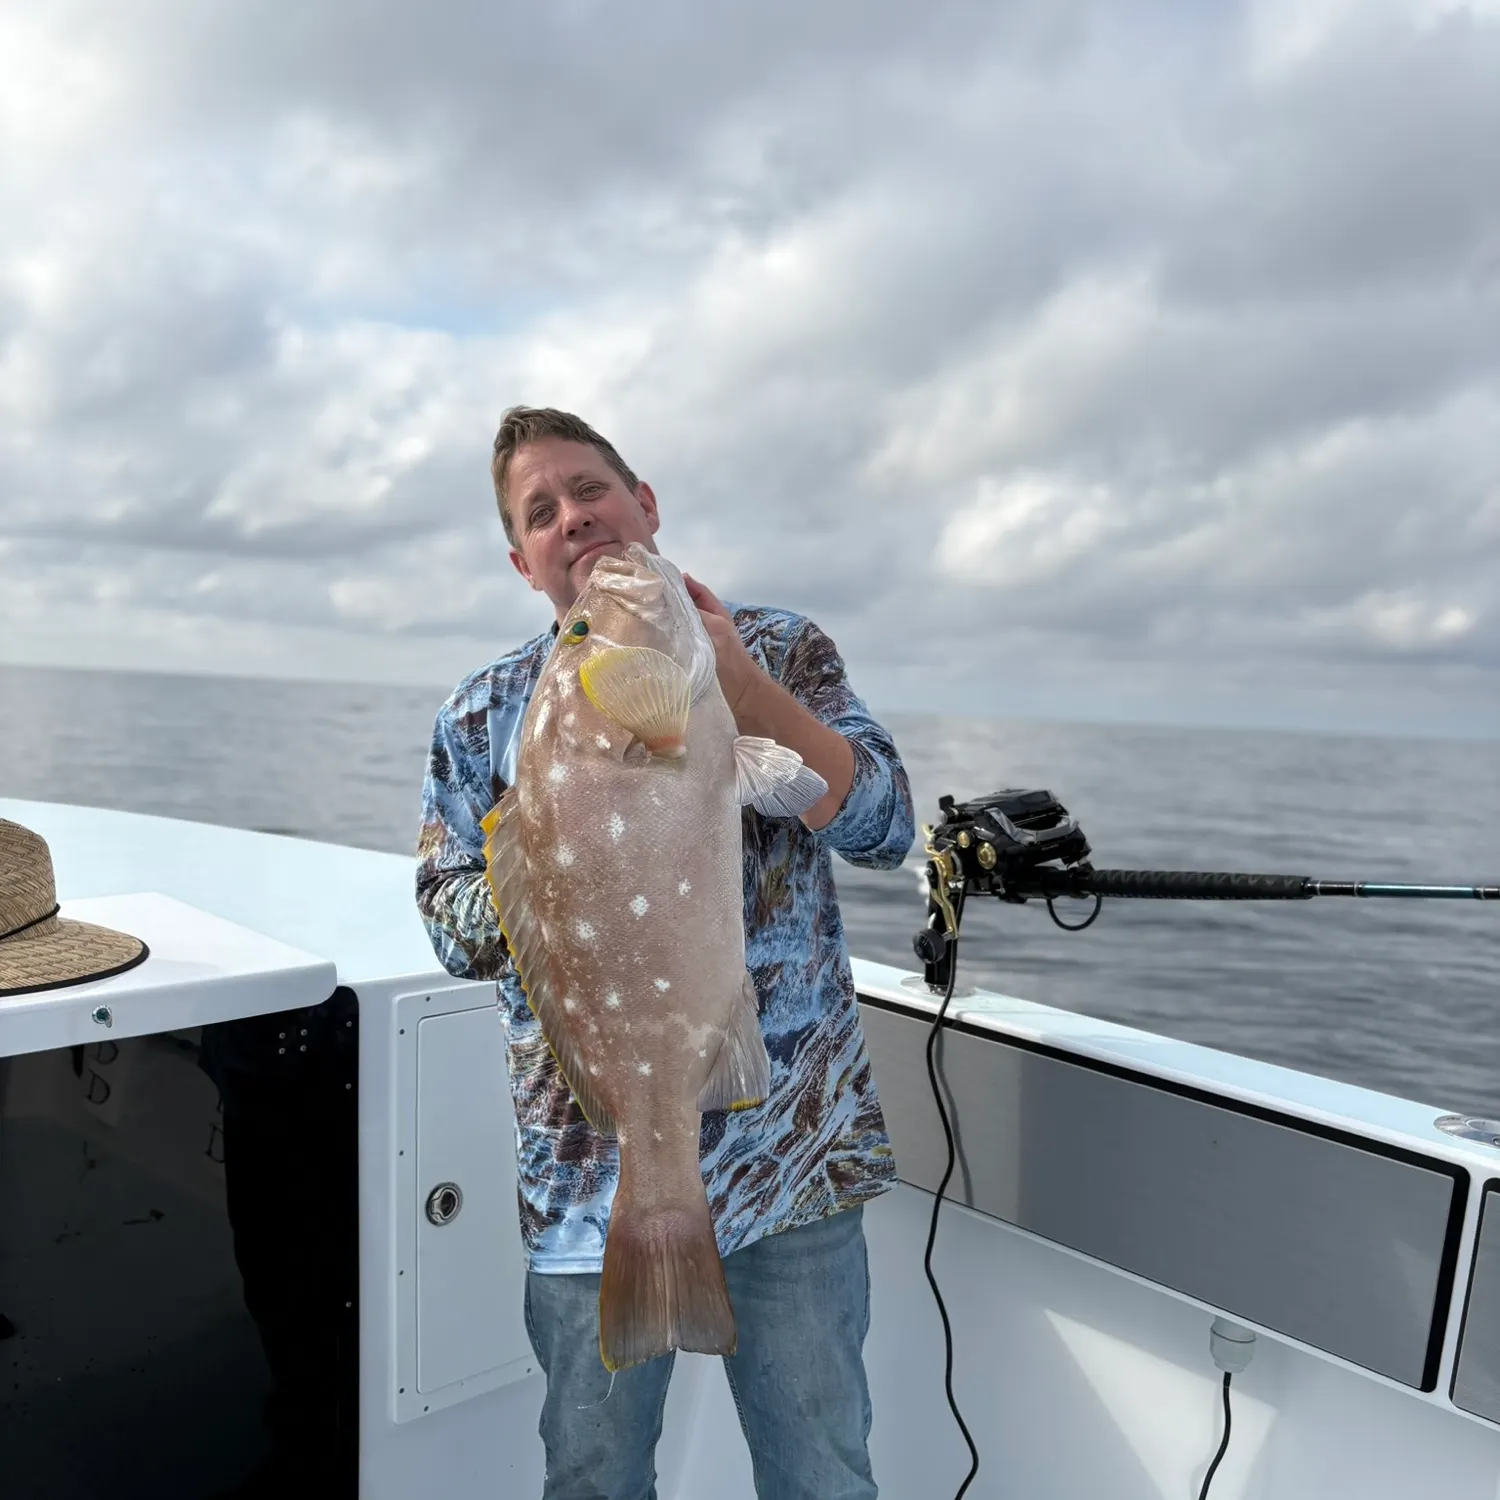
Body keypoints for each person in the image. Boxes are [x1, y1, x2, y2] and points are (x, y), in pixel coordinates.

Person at [415, 406, 915, 1500]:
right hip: (589, 1185)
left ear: (645, 504)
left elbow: (884, 825)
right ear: (521, 559)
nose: (572, 517)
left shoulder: (781, 648)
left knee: (823, 1475)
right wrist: (553, 832)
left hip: (796, 1154)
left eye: (589, 488)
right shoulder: (483, 714)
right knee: (592, 1480)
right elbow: (450, 924)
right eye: (539, 511)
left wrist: (736, 689)